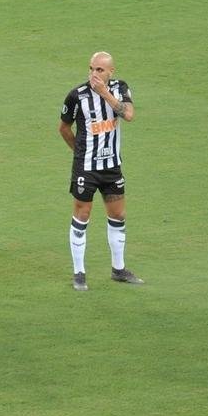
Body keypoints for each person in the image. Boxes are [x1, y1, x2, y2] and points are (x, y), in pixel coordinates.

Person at [59, 51, 141, 290]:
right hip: (86, 168)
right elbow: (64, 128)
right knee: (82, 215)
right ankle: (79, 273)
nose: (94, 74)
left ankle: (118, 269)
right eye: (91, 68)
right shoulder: (77, 96)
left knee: (118, 215)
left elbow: (128, 115)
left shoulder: (120, 88)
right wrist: (79, 152)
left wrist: (105, 93)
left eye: (100, 70)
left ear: (110, 72)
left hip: (112, 167)